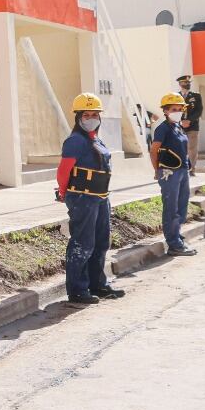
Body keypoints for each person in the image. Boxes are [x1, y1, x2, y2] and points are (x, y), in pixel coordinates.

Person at [55, 93, 127, 305]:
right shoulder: (75, 141)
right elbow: (63, 171)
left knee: (100, 242)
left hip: (101, 197)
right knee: (83, 243)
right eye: (86, 115)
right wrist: (63, 191)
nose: (91, 118)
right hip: (83, 198)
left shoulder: (95, 138)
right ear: (78, 117)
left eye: (95, 114)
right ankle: (77, 289)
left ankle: (97, 284)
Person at [152, 92, 198, 257]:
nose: (178, 111)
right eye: (174, 109)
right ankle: (173, 244)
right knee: (171, 208)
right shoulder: (162, 128)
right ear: (165, 111)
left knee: (182, 206)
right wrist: (157, 170)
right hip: (169, 172)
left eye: (180, 109)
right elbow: (154, 149)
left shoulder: (178, 126)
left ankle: (177, 237)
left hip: (182, 170)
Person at [176, 75, 203, 172]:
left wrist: (189, 120)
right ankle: (182, 167)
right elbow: (174, 111)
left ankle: (192, 168)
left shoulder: (196, 95)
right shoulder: (176, 96)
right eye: (185, 82)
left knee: (192, 148)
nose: (188, 84)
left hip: (193, 126)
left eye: (188, 82)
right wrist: (181, 121)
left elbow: (199, 111)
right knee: (180, 147)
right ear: (180, 84)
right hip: (180, 126)